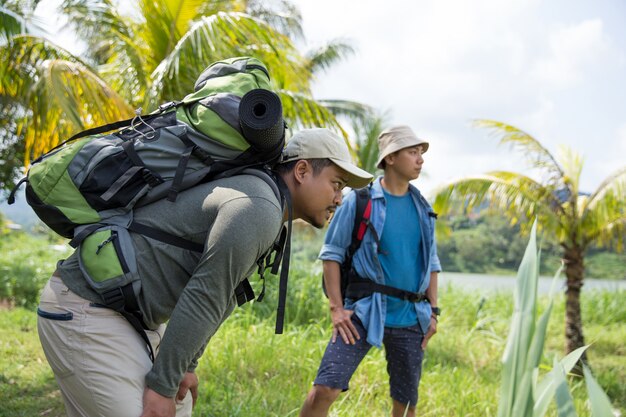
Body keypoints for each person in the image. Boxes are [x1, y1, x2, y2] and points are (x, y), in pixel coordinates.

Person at [36, 128, 373, 417]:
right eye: (335, 184)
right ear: (301, 171)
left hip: (125, 315)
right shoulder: (260, 207)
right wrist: (162, 386)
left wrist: (186, 365)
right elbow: (205, 295)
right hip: (86, 308)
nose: (339, 198)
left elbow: (223, 295)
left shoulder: (266, 204)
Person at [299, 125, 442, 417]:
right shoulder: (358, 200)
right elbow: (332, 255)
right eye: (412, 152)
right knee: (325, 389)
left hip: (410, 317)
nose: (420, 159)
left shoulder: (423, 208)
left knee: (405, 405)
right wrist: (336, 309)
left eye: (421, 153)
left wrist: (434, 312)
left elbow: (432, 264)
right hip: (362, 312)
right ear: (390, 157)